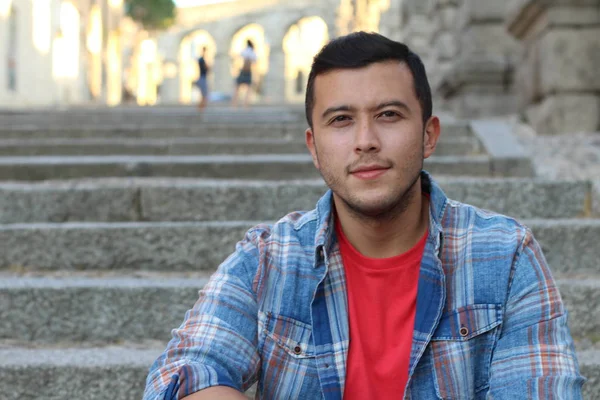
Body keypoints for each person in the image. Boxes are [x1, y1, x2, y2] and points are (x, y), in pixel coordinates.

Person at [143, 32, 584, 399]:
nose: (366, 140)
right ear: (314, 147)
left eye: (388, 115)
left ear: (429, 135)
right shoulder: (269, 258)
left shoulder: (505, 256)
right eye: (341, 120)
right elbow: (184, 372)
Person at [232, 39, 257, 108]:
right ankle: (246, 104)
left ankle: (234, 104)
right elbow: (255, 61)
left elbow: (238, 56)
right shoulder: (252, 52)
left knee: (237, 88)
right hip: (248, 71)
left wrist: (236, 67)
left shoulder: (245, 50)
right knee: (248, 89)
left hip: (243, 70)